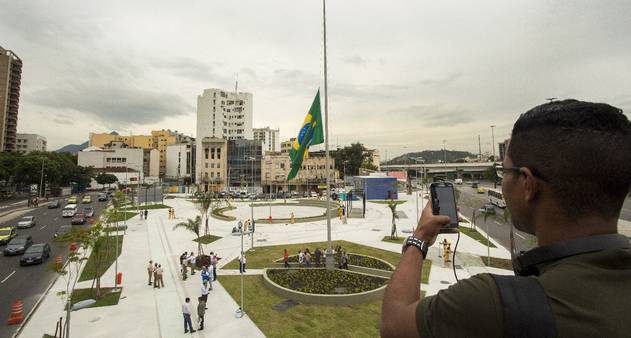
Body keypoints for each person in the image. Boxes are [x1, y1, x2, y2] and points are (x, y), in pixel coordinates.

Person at [380, 100, 631, 337]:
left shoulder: (492, 302)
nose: (502, 182)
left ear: (527, 185)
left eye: (503, 171)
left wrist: (420, 237)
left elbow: (393, 325)